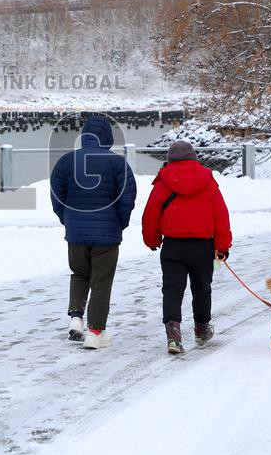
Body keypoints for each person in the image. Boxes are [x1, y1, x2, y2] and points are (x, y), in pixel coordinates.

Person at [50, 115, 137, 349]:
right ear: (107, 137)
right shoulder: (118, 163)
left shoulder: (66, 161)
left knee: (79, 273)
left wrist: (67, 219)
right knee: (101, 281)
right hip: (106, 234)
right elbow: (126, 199)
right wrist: (119, 223)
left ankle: (76, 318)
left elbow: (57, 196)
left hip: (76, 232)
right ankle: (95, 332)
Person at [141, 140, 232, 354]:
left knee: (172, 290)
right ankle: (201, 330)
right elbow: (221, 216)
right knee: (202, 288)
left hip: (173, 247)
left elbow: (151, 215)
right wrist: (222, 246)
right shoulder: (208, 182)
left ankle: (173, 336)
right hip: (203, 247)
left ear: (169, 159)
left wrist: (152, 241)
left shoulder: (163, 183)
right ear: (194, 158)